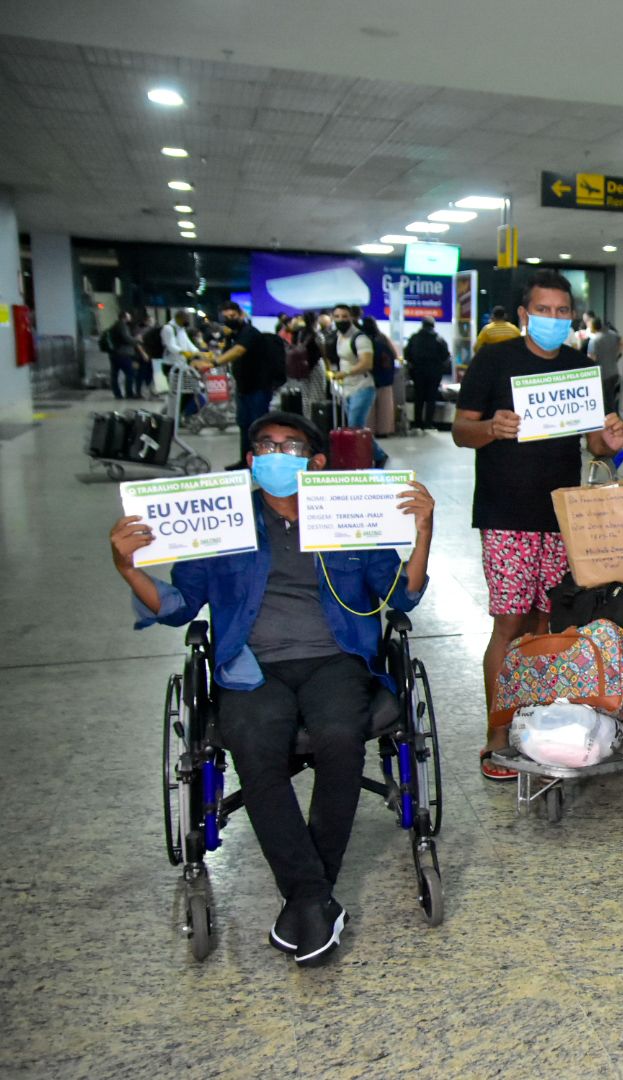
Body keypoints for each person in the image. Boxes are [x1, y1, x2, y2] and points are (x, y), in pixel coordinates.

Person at [109, 410, 435, 966]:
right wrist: (126, 563)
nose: (275, 455)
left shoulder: (344, 514)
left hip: (336, 658)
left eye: (289, 447)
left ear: (315, 462)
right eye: (265, 445)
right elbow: (178, 606)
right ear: (252, 459)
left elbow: (399, 599)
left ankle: (306, 898)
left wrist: (423, 531)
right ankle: (313, 898)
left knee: (339, 738)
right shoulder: (225, 525)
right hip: (250, 666)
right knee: (255, 745)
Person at [452, 272, 623, 781]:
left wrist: (612, 436)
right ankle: (496, 732)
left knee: (549, 623)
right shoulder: (495, 361)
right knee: (509, 624)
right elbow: (460, 430)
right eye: (543, 310)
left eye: (562, 312)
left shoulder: (581, 368)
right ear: (525, 314)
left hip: (561, 516)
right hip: (506, 514)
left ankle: (538, 721)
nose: (553, 319)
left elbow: (596, 445)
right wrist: (490, 428)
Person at [210, 300, 285, 461]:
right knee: (244, 425)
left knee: (258, 427)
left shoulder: (249, 332)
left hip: (259, 387)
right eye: (226, 317)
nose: (230, 319)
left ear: (241, 314)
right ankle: (245, 460)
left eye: (233, 316)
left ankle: (262, 461)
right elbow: (228, 352)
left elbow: (237, 352)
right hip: (243, 387)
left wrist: (213, 363)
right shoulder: (233, 335)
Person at [328, 305, 386, 465]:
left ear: (352, 317)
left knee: (355, 425)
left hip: (363, 386)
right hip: (346, 388)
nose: (341, 320)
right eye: (337, 316)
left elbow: (367, 363)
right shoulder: (339, 337)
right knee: (354, 426)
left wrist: (345, 373)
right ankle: (367, 455)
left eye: (344, 316)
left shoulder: (360, 338)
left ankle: (377, 455)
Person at [405, 316, 451, 432]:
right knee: (431, 398)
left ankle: (417, 423)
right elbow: (446, 356)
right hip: (434, 373)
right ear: (433, 326)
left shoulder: (414, 338)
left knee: (418, 397)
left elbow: (407, 354)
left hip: (418, 372)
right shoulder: (439, 339)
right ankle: (428, 423)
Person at [360, 316, 398, 437]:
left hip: (368, 376)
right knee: (385, 404)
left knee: (369, 405)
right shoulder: (383, 338)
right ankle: (384, 430)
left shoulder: (362, 340)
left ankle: (369, 429)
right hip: (385, 377)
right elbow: (394, 354)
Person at [587, 316, 621, 415]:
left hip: (603, 375)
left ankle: (610, 422)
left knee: (605, 403)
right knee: (612, 399)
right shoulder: (612, 334)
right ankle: (615, 417)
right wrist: (616, 354)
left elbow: (591, 359)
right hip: (614, 372)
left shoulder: (594, 341)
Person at [106, 310, 142, 400]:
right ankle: (129, 393)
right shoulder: (122, 326)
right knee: (130, 373)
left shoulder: (114, 326)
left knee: (115, 374)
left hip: (113, 354)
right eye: (129, 316)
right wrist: (137, 340)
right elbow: (127, 338)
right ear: (124, 317)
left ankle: (117, 394)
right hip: (123, 354)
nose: (130, 317)